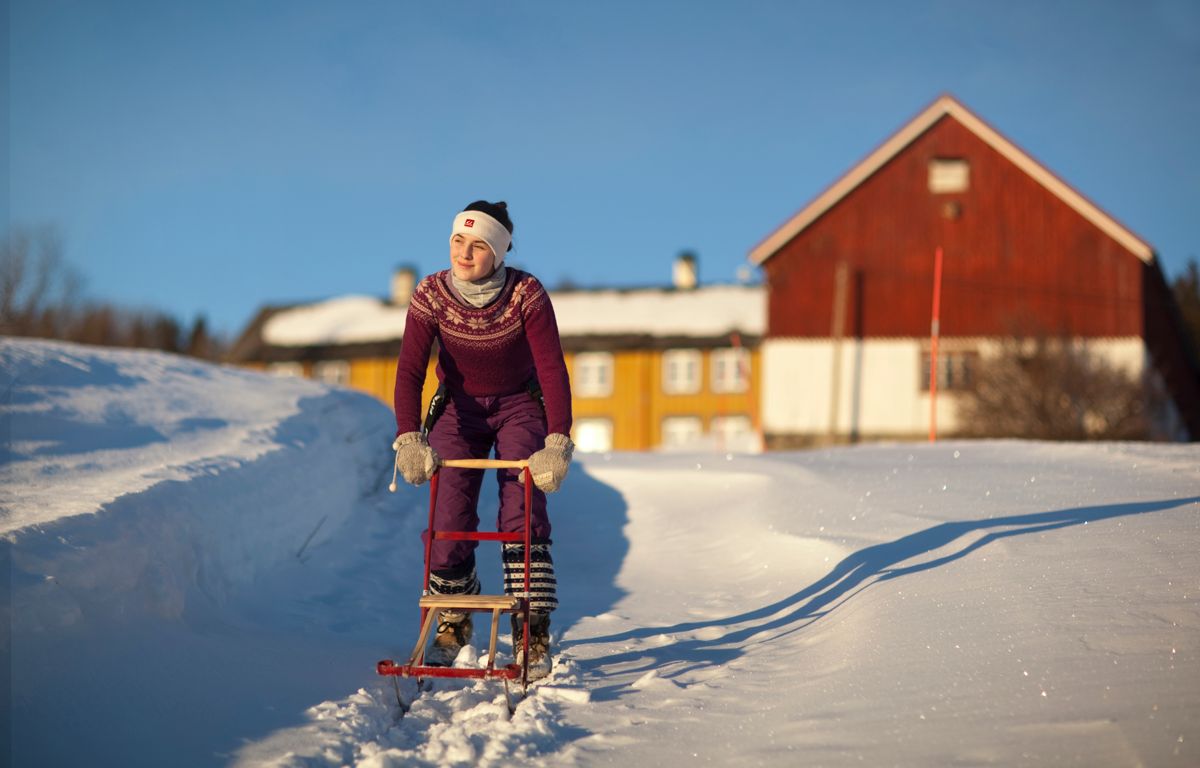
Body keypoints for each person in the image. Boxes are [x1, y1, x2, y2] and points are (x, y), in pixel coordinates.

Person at [391, 200, 573, 680]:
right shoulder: (430, 293)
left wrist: (557, 441)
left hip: (518, 404)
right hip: (458, 409)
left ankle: (530, 622)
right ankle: (453, 615)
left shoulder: (525, 295)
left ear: (499, 251)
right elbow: (410, 369)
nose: (464, 253)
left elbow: (552, 368)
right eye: (457, 241)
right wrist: (409, 436)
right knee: (448, 512)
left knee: (522, 505)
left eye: (478, 245)